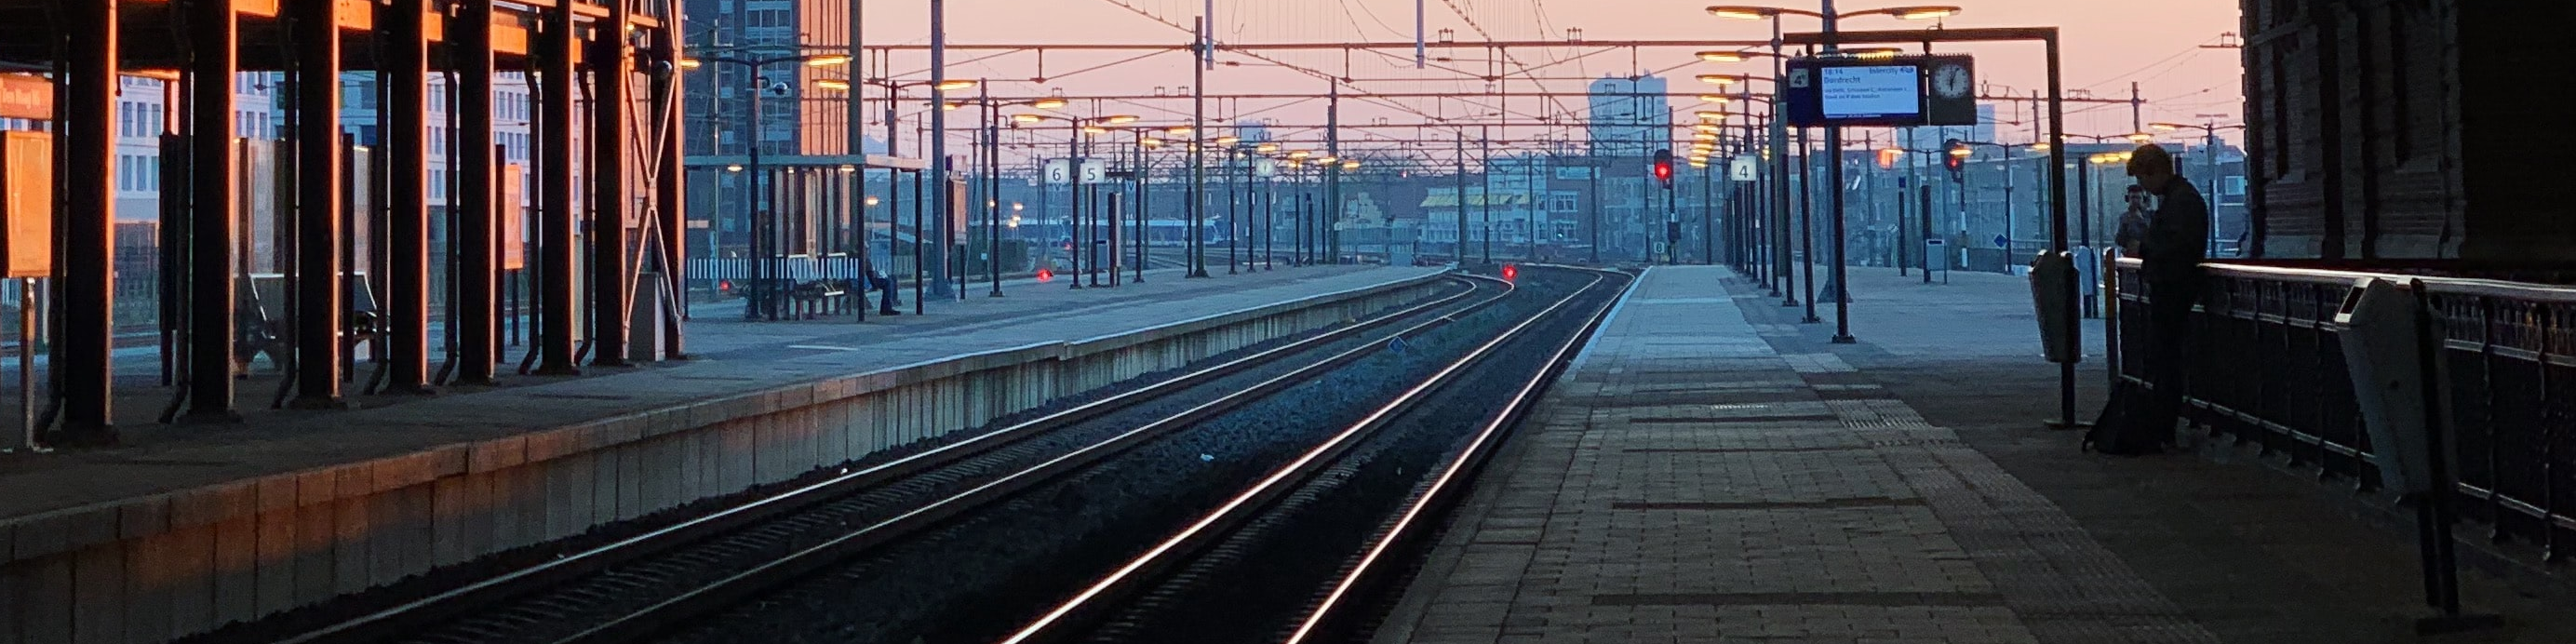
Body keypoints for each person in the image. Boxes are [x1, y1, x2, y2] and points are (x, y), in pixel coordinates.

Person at [2092, 143, 2208, 454]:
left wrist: (2143, 249)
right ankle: (2162, 425)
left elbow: (2177, 245)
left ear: (2155, 172)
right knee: (2164, 359)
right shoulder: (2178, 198)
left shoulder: (2180, 202)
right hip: (2171, 287)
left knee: (2166, 359)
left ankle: (2163, 426)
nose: (2143, 188)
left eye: (2143, 180)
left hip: (2173, 288)